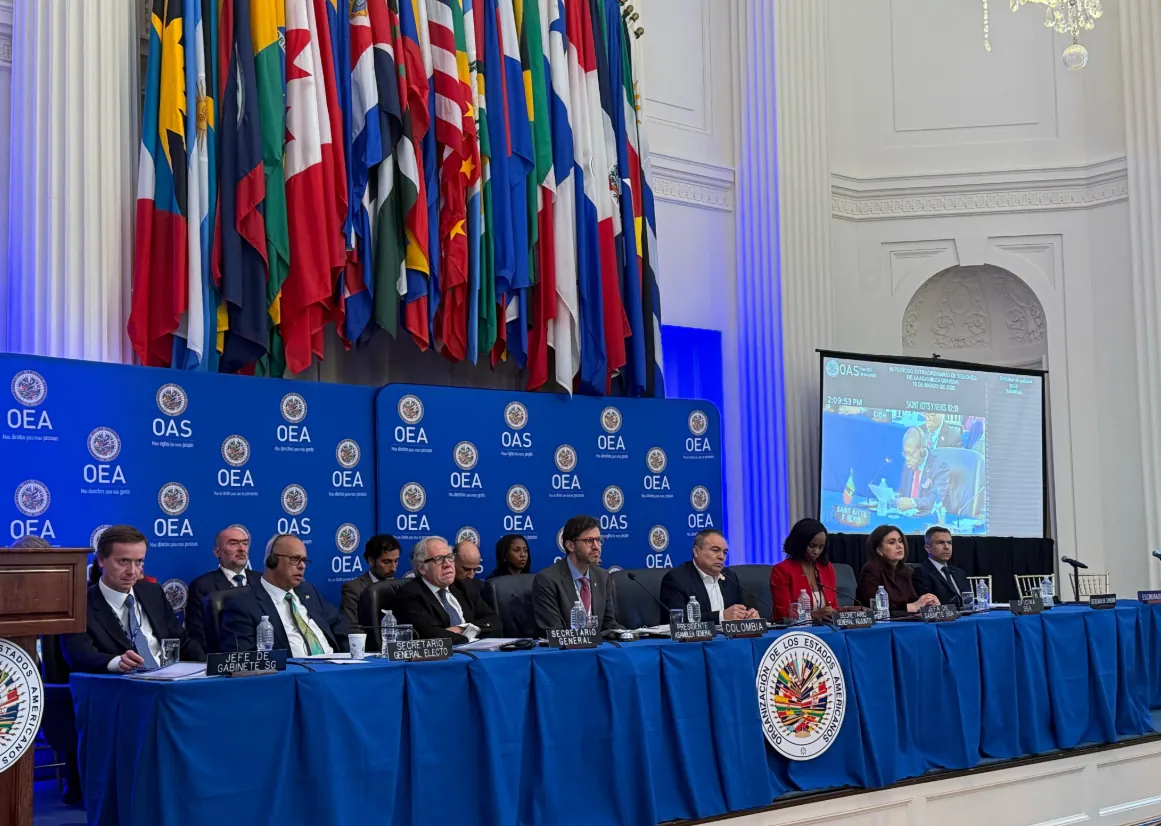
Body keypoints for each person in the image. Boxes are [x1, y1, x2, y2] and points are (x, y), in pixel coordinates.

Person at [62, 525, 204, 673]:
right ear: (101, 560)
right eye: (123, 561)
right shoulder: (79, 605)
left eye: (138, 562)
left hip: (168, 681)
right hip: (121, 686)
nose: (132, 571)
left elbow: (181, 641)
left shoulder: (153, 592)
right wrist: (117, 662)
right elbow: (79, 656)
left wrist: (208, 669)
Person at [218, 534, 349, 655]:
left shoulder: (308, 591)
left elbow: (340, 625)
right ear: (272, 561)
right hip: (292, 674)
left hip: (332, 668)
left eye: (304, 560)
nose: (302, 566)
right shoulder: (244, 605)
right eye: (295, 559)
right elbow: (243, 658)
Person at [393, 537, 500, 643]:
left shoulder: (464, 588)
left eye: (450, 557)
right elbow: (429, 636)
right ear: (421, 568)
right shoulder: (410, 595)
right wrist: (471, 638)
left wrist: (461, 629)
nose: (448, 564)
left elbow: (495, 622)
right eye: (439, 559)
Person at [532, 515, 623, 635]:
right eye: (589, 541)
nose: (596, 546)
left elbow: (608, 623)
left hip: (597, 650)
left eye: (599, 540)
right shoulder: (547, 580)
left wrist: (627, 634)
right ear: (570, 546)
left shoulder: (602, 576)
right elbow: (553, 631)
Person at [185, 525, 260, 651]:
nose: (242, 549)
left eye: (245, 543)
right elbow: (198, 635)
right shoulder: (202, 586)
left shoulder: (261, 581)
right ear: (217, 552)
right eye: (233, 544)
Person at [660, 529, 758, 623]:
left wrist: (749, 614)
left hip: (730, 638)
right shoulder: (677, 579)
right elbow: (677, 619)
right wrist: (721, 617)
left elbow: (742, 606)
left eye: (725, 552)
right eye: (715, 550)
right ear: (696, 551)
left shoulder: (730, 576)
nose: (721, 557)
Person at [855, 524, 940, 614]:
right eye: (892, 542)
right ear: (879, 550)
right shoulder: (871, 569)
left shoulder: (905, 571)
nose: (899, 546)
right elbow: (874, 607)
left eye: (900, 541)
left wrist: (927, 602)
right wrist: (912, 607)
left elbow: (913, 600)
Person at [769, 518, 839, 622]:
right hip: (794, 632)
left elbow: (833, 606)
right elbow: (783, 613)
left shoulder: (827, 568)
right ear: (799, 543)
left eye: (821, 547)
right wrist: (813, 615)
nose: (816, 551)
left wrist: (847, 610)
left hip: (826, 628)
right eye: (812, 546)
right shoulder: (781, 570)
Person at [340, 534, 401, 628]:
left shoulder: (402, 587)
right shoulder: (353, 589)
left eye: (396, 561)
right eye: (386, 562)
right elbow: (351, 628)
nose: (393, 568)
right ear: (371, 561)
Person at [896, 426, 951, 515]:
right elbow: (902, 493)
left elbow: (934, 501)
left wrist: (912, 503)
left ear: (922, 451)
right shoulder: (909, 464)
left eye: (911, 454)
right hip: (909, 518)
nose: (907, 459)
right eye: (905, 454)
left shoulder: (940, 469)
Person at [912, 526, 970, 608]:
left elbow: (968, 600)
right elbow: (928, 605)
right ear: (928, 548)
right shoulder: (920, 573)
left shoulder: (959, 573)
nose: (946, 547)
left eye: (949, 543)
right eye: (940, 542)